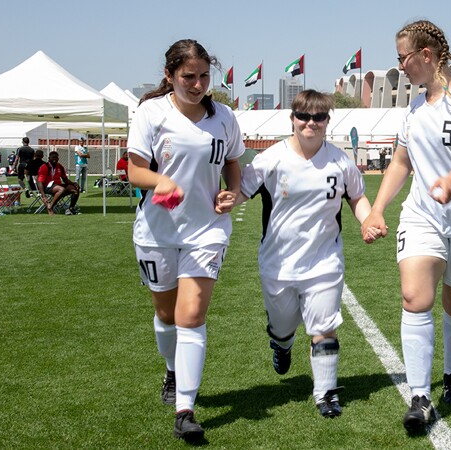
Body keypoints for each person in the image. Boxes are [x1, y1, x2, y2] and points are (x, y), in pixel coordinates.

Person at [361, 20, 451, 433]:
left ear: (426, 56)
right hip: (422, 215)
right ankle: (419, 396)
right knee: (413, 296)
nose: (401, 66)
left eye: (403, 58)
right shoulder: (414, 107)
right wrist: (377, 209)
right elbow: (401, 163)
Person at [126, 39, 244, 443]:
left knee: (191, 315)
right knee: (166, 314)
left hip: (207, 231)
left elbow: (233, 163)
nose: (197, 85)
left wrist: (231, 191)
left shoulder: (224, 117)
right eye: (188, 77)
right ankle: (172, 370)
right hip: (157, 232)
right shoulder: (150, 113)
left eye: (204, 77)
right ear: (169, 76)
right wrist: (160, 180)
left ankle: (185, 409)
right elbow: (135, 171)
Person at [239, 89, 377, 419]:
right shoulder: (270, 159)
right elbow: (240, 190)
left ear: (328, 120)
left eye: (319, 117)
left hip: (324, 261)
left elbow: (357, 198)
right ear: (293, 118)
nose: (310, 123)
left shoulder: (340, 161)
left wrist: (368, 220)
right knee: (283, 327)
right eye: (303, 116)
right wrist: (226, 199)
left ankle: (326, 393)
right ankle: (281, 344)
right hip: (278, 264)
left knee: (324, 328)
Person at [36, 151, 80, 216]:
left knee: (75, 189)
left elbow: (65, 179)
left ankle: (70, 209)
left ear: (58, 158)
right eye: (52, 157)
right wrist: (43, 196)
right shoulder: (44, 167)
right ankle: (50, 207)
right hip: (47, 187)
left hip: (57, 185)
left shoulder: (60, 167)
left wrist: (73, 183)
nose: (54, 159)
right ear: (49, 158)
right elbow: (39, 182)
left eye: (56, 157)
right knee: (61, 189)